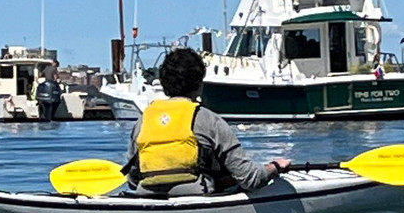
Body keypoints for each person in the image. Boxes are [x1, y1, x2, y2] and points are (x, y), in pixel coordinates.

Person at [125, 47, 291, 196]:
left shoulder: (143, 122)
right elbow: (250, 179)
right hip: (200, 201)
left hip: (147, 195)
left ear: (163, 83)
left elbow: (132, 181)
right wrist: (274, 167)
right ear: (199, 84)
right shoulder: (209, 120)